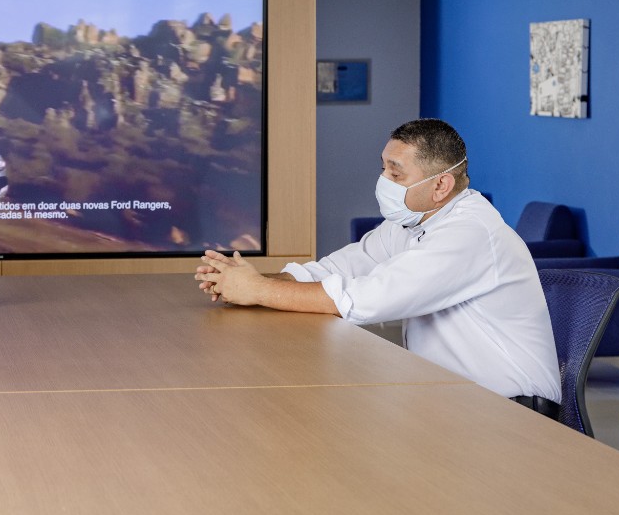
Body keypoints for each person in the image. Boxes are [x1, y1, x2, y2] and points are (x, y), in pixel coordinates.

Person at [196, 118, 561, 413]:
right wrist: (250, 282)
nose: (383, 181)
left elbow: (365, 300)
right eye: (383, 169)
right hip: (449, 399)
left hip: (510, 411)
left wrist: (258, 290)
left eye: (396, 174)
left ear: (441, 185)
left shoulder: (470, 234)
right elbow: (339, 268)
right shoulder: (412, 222)